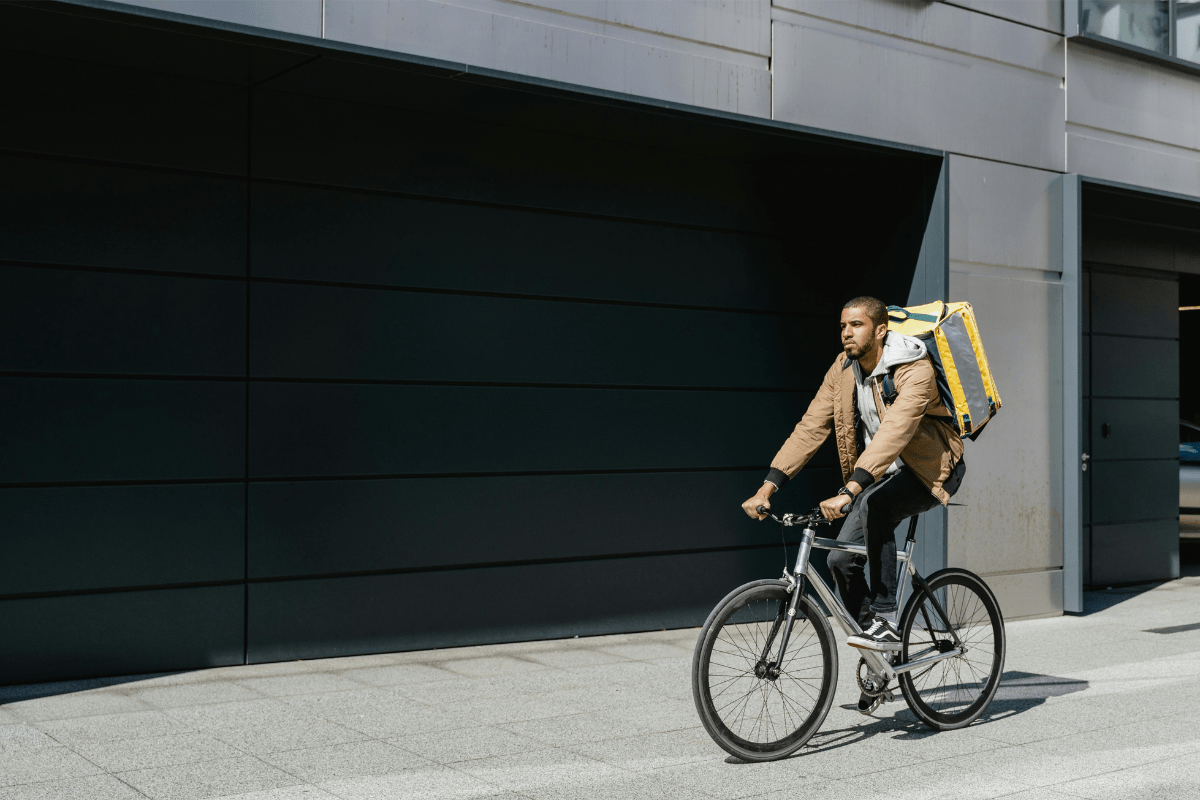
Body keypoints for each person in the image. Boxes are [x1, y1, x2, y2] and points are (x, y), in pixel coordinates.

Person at [741, 296, 965, 665]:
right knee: (840, 562)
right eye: (843, 325)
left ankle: (886, 617)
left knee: (879, 505)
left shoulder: (913, 367)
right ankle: (879, 656)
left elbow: (895, 431)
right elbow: (811, 427)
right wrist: (769, 486)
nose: (846, 332)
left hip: (932, 468)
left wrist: (850, 490)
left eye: (856, 325)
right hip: (877, 475)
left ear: (880, 330)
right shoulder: (843, 369)